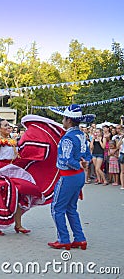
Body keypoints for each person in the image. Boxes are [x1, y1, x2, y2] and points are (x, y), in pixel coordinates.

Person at [48, 104, 94, 250]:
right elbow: (87, 155)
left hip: (68, 176)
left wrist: (78, 164)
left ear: (68, 120)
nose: (62, 120)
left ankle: (64, 239)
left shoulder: (67, 138)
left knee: (57, 207)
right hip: (79, 177)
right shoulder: (81, 135)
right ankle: (80, 238)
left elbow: (67, 160)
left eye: (64, 118)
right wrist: (84, 163)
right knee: (71, 208)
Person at [0, 119, 30, 235]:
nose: (9, 127)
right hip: (1, 169)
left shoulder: (12, 141)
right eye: (5, 125)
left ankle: (18, 225)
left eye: (9, 125)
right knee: (2, 198)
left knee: (17, 196)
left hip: (12, 169)